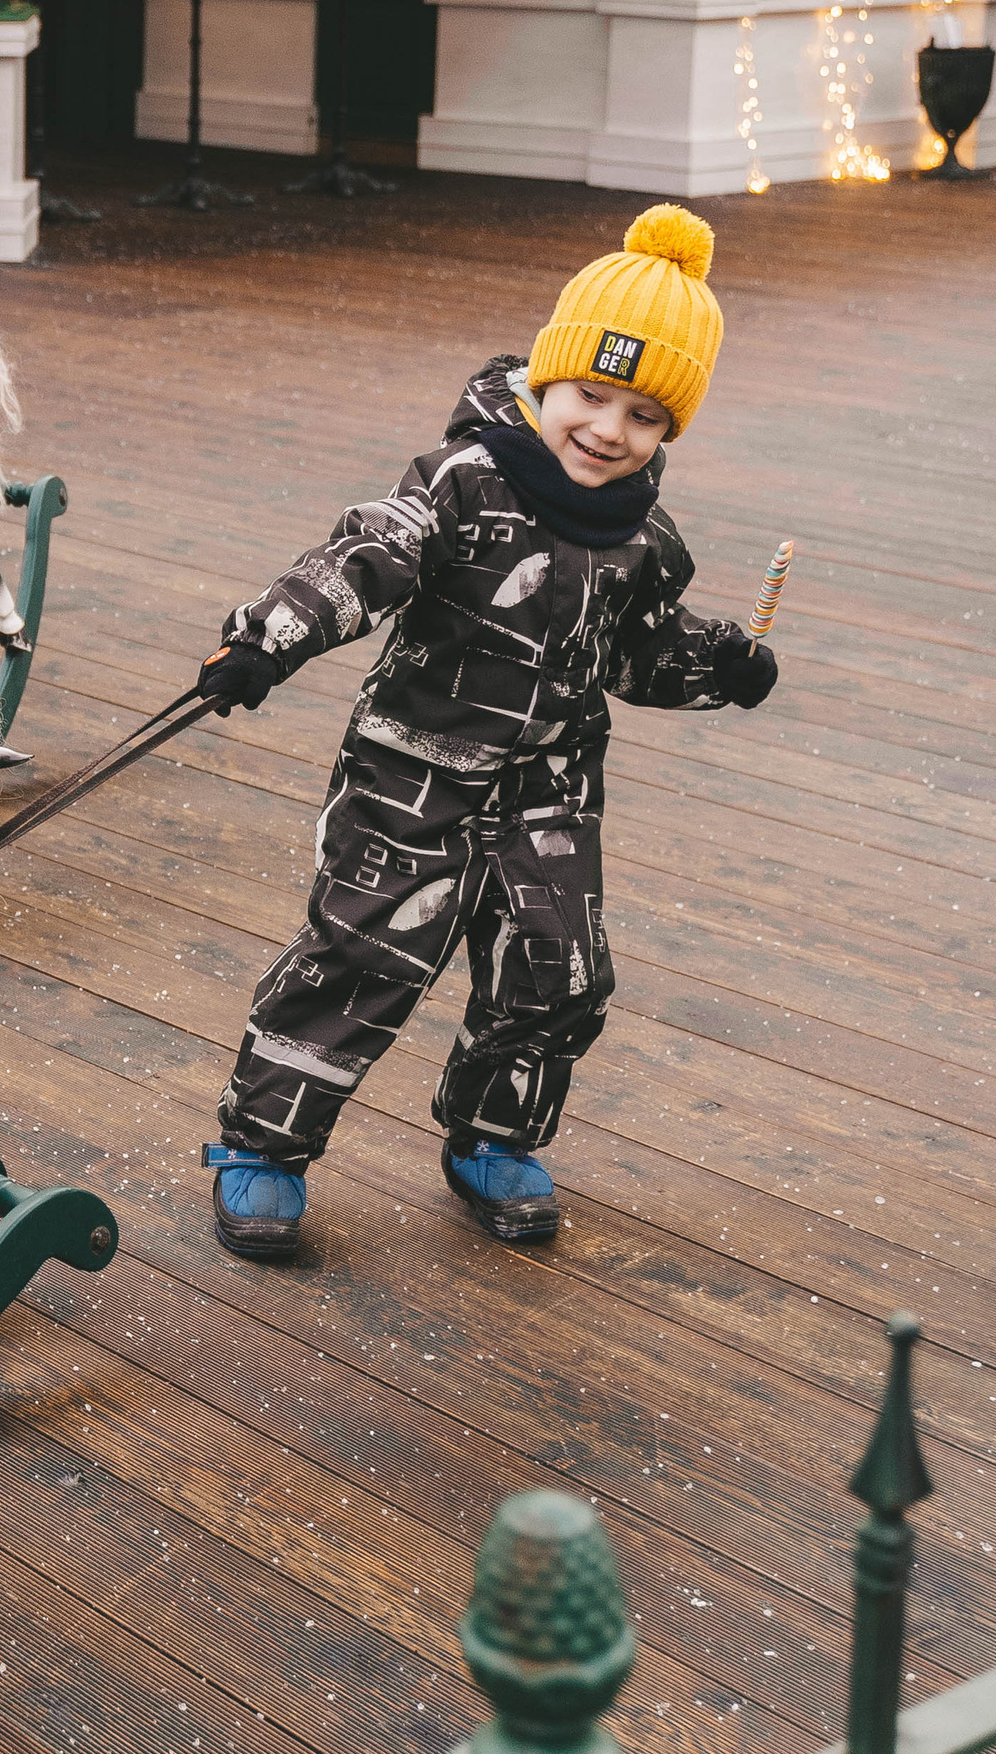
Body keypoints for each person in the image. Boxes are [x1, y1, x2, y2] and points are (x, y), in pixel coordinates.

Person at [195, 203, 777, 1265]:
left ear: (668, 431)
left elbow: (637, 652)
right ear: (544, 382)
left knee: (554, 972)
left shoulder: (645, 538)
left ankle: (492, 1137)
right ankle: (263, 1147)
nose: (606, 430)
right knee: (362, 957)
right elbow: (370, 553)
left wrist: (718, 666)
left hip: (551, 786)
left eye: (643, 416)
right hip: (413, 771)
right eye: (589, 396)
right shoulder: (463, 482)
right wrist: (266, 640)